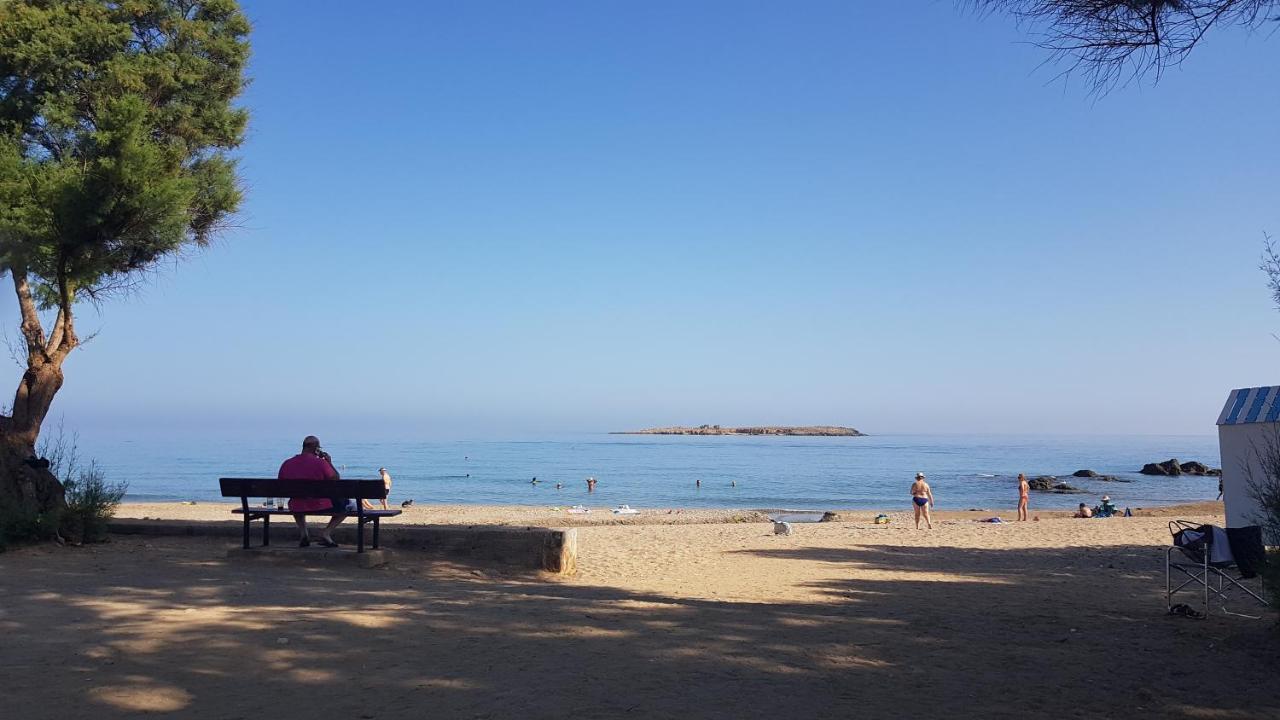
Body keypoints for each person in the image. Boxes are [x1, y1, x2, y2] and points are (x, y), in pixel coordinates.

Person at [279, 435, 346, 548]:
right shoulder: (321, 463)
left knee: (298, 501)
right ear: (315, 448)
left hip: (295, 505)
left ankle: (304, 533)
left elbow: (280, 484)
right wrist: (329, 462)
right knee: (349, 506)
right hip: (320, 505)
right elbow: (336, 479)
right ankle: (326, 533)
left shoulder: (287, 463)